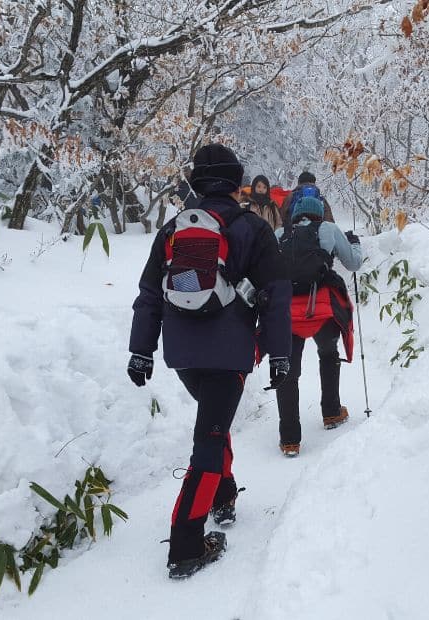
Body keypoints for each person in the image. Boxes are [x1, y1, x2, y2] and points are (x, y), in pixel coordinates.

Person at [127, 143, 291, 579]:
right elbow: (274, 298)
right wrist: (280, 355)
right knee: (210, 440)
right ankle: (185, 543)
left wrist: (141, 350)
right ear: (236, 182)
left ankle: (223, 494)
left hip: (181, 352)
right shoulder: (252, 228)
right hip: (230, 352)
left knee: (212, 425)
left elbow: (148, 293)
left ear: (195, 183)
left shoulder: (173, 231)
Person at [275, 196, 362, 456]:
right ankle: (332, 413)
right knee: (328, 355)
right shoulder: (328, 229)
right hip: (322, 309)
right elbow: (354, 263)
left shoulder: (280, 233)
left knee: (288, 372)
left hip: (289, 312)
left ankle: (290, 439)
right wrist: (355, 243)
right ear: (319, 213)